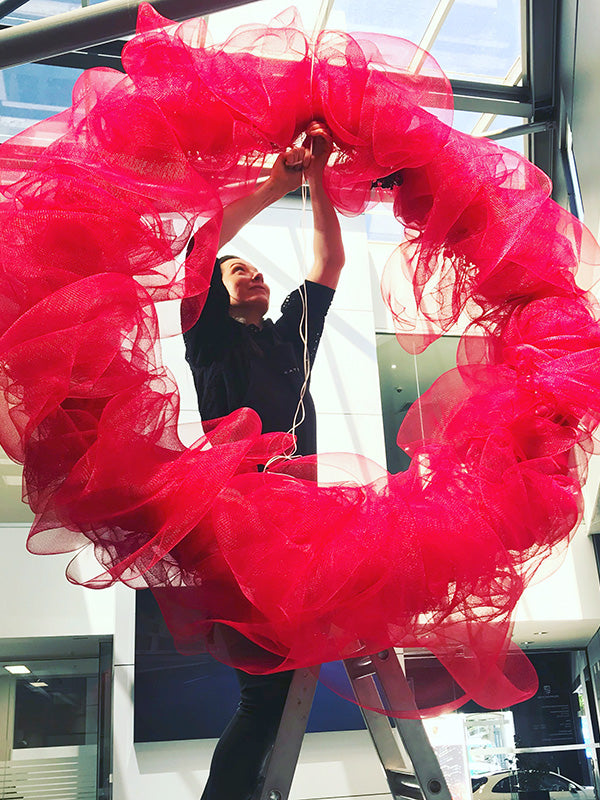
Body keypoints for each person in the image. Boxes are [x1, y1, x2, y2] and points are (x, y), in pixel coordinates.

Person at [182, 122, 345, 800]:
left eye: (254, 268)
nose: (248, 271)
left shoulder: (289, 339)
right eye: (235, 270)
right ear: (216, 295)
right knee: (263, 698)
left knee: (279, 696)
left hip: (302, 519)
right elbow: (201, 246)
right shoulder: (209, 339)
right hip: (241, 523)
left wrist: (322, 179)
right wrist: (279, 183)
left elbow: (328, 263)